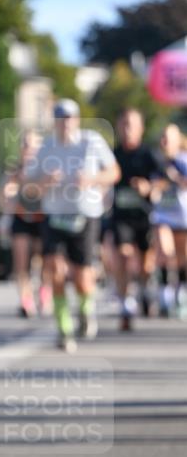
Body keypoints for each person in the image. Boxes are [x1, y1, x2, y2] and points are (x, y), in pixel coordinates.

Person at [24, 99, 120, 352]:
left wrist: (91, 179)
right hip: (55, 216)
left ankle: (86, 311)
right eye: (60, 118)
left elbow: (114, 172)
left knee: (82, 278)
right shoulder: (46, 147)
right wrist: (44, 182)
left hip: (85, 215)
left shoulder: (91, 141)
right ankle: (64, 328)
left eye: (68, 117)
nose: (64, 122)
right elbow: (29, 188)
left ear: (76, 119)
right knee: (54, 270)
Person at [111, 108, 162, 329]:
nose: (127, 130)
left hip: (144, 216)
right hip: (121, 216)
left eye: (131, 125)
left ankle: (144, 289)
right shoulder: (113, 155)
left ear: (141, 128)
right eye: (123, 125)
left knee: (145, 264)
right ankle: (126, 304)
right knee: (123, 255)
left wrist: (148, 186)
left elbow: (164, 180)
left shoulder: (148, 154)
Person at [0, 130, 50, 318]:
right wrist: (12, 188)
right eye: (26, 145)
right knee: (21, 262)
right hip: (21, 219)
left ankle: (44, 292)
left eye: (34, 146)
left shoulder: (45, 168)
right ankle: (26, 301)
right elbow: (2, 198)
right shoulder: (14, 170)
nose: (30, 150)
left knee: (44, 260)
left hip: (42, 219)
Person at [150, 123, 187, 318]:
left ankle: (180, 293)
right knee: (164, 252)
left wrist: (175, 177)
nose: (164, 142)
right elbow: (152, 186)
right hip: (162, 215)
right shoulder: (156, 160)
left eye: (168, 138)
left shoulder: (183, 160)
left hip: (182, 216)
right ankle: (165, 294)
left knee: (182, 257)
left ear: (177, 140)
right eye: (162, 137)